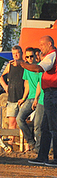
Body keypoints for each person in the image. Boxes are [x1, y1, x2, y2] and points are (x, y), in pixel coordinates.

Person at [17, 36, 57, 166]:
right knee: (45, 127)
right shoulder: (50, 56)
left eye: (42, 44)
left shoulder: (52, 56)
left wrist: (22, 64)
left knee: (53, 127)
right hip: (49, 95)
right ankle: (42, 156)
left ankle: (54, 158)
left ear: (49, 44)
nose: (40, 47)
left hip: (53, 93)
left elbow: (39, 69)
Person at [16, 47, 42, 152]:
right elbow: (26, 84)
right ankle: (31, 142)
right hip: (30, 98)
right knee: (19, 119)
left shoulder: (40, 67)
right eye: (27, 57)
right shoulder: (27, 69)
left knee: (38, 124)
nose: (30, 59)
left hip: (40, 98)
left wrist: (36, 99)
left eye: (31, 56)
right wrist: (23, 98)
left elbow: (40, 83)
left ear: (35, 56)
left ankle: (40, 148)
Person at [0, 45, 24, 130]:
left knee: (24, 122)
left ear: (21, 53)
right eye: (14, 54)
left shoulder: (26, 65)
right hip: (12, 97)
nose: (16, 55)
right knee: (12, 123)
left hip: (24, 97)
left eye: (17, 53)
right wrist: (5, 86)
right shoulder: (10, 65)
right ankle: (10, 141)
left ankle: (25, 142)